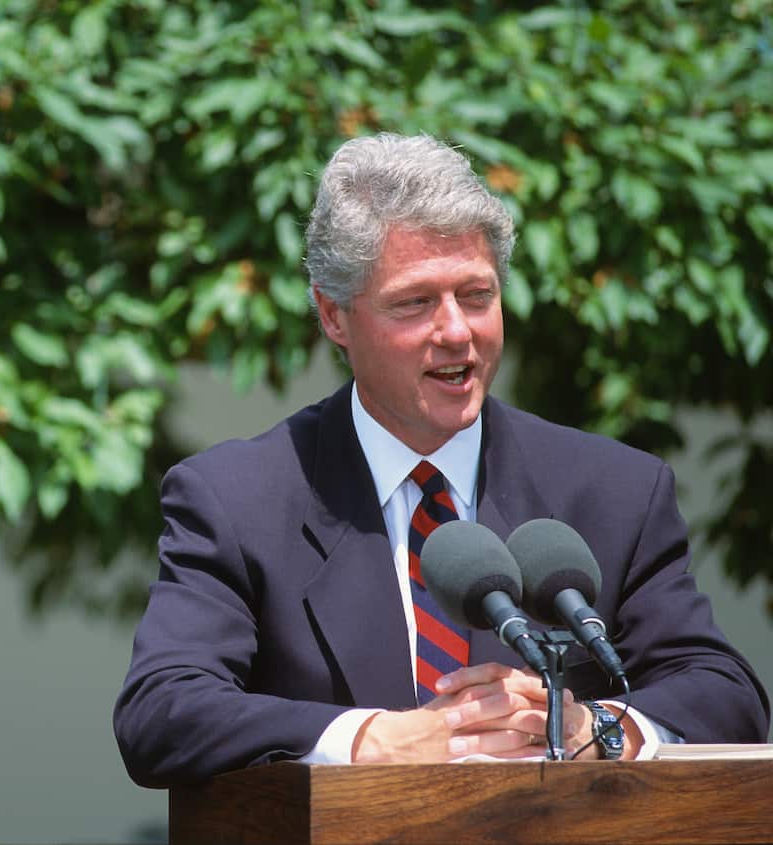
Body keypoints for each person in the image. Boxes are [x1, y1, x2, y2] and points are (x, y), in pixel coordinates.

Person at [113, 133, 768, 786]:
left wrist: (594, 727)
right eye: (415, 302)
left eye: (477, 295)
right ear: (334, 316)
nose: (457, 331)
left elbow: (725, 692)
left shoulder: (614, 490)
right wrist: (371, 739)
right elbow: (162, 712)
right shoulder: (237, 499)